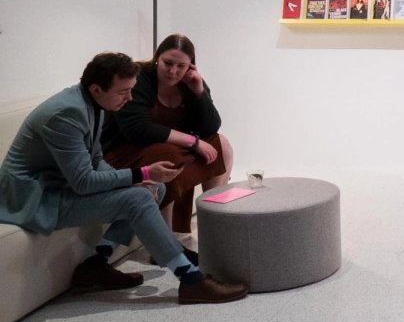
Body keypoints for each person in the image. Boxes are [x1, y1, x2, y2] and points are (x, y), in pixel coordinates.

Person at [0, 52, 247, 303]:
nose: (129, 98)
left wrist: (141, 179)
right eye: (123, 91)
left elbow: (96, 160)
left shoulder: (92, 104)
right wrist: (142, 173)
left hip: (59, 185)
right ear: (97, 88)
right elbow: (83, 181)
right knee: (138, 197)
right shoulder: (66, 114)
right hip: (34, 198)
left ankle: (96, 265)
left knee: (155, 189)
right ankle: (191, 279)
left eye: (131, 90)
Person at [102, 34, 232, 233]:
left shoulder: (191, 82)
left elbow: (211, 127)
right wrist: (193, 142)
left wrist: (198, 92)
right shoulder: (139, 79)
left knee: (221, 144)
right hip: (124, 150)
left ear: (191, 66)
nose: (173, 71)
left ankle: (214, 224)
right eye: (168, 63)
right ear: (157, 59)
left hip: (171, 150)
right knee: (169, 155)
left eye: (181, 66)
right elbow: (137, 130)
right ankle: (166, 236)